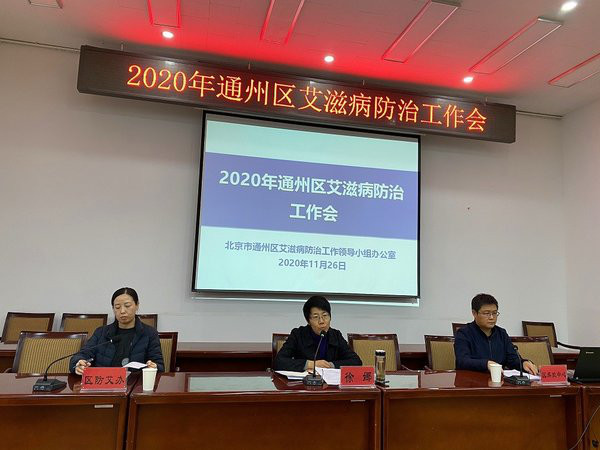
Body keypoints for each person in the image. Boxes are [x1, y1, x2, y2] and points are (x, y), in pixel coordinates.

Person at [69, 287, 164, 374]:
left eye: (127, 306)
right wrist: (78, 364)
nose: (122, 311)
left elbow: (159, 365)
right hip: (104, 383)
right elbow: (81, 355)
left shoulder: (149, 333)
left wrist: (153, 367)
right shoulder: (101, 332)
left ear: (137, 305)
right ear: (113, 309)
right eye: (117, 307)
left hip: (135, 384)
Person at [454, 293, 538, 375]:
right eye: (486, 313)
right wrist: (486, 364)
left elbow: (512, 359)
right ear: (474, 313)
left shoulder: (502, 333)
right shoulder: (464, 333)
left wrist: (523, 363)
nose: (491, 317)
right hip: (471, 380)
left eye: (494, 313)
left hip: (498, 381)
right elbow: (462, 361)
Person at [274, 295, 362, 372]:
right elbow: (279, 361)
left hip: (330, 384)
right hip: (304, 383)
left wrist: (330, 365)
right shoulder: (298, 335)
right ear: (308, 321)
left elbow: (356, 361)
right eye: (316, 317)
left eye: (325, 315)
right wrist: (310, 364)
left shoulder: (336, 335)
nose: (322, 321)